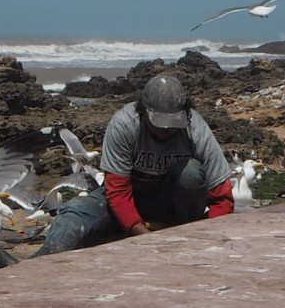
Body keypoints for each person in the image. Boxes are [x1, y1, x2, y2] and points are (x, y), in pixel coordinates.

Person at [32, 73, 234, 256]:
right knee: (74, 213)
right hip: (130, 198)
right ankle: (46, 257)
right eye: (159, 123)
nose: (166, 130)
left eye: (173, 124)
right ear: (143, 112)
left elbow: (222, 197)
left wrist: (204, 240)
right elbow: (117, 192)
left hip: (174, 207)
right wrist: (143, 236)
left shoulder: (196, 130)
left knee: (190, 172)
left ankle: (177, 230)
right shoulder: (125, 125)